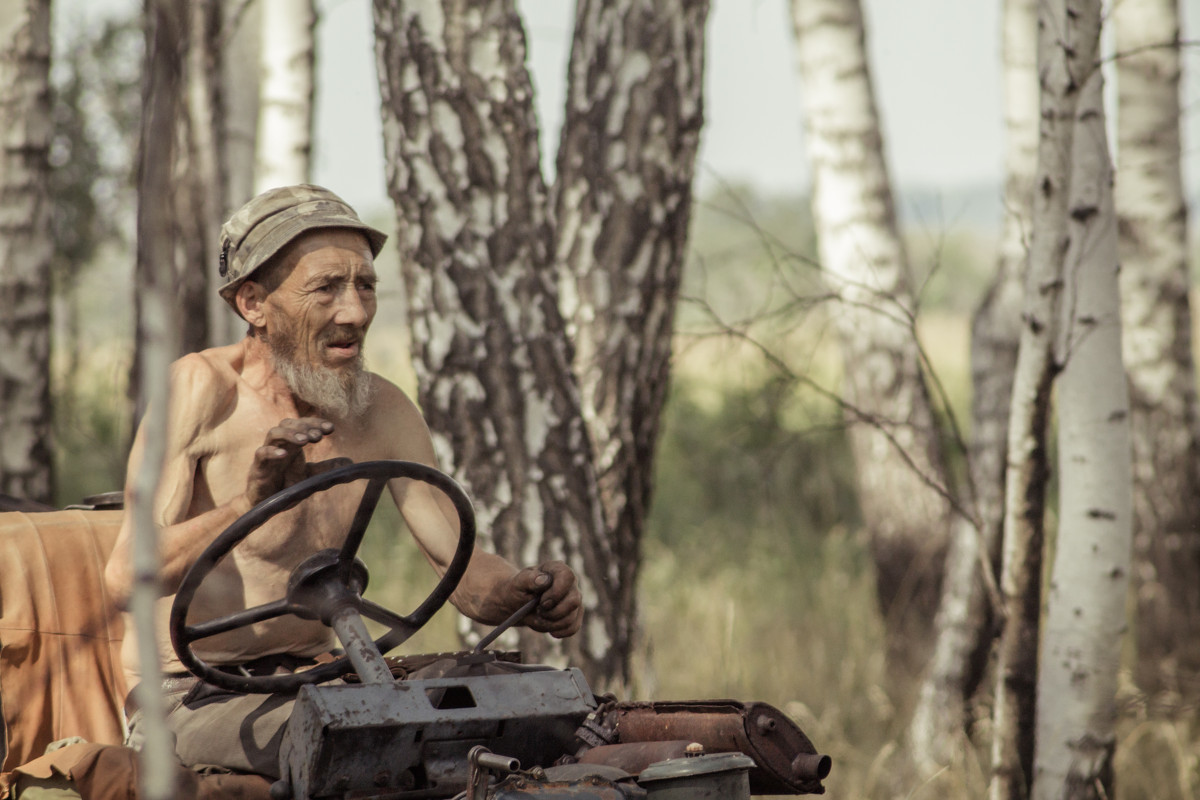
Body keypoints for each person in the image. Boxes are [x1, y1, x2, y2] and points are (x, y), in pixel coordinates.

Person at [103, 184, 583, 780]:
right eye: (326, 288)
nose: (354, 312)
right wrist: (247, 503)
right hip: (190, 698)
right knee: (354, 747)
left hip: (327, 677)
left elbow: (454, 565)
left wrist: (523, 589)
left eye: (365, 285)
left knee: (546, 709)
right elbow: (125, 578)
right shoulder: (200, 391)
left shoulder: (381, 408)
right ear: (253, 302)